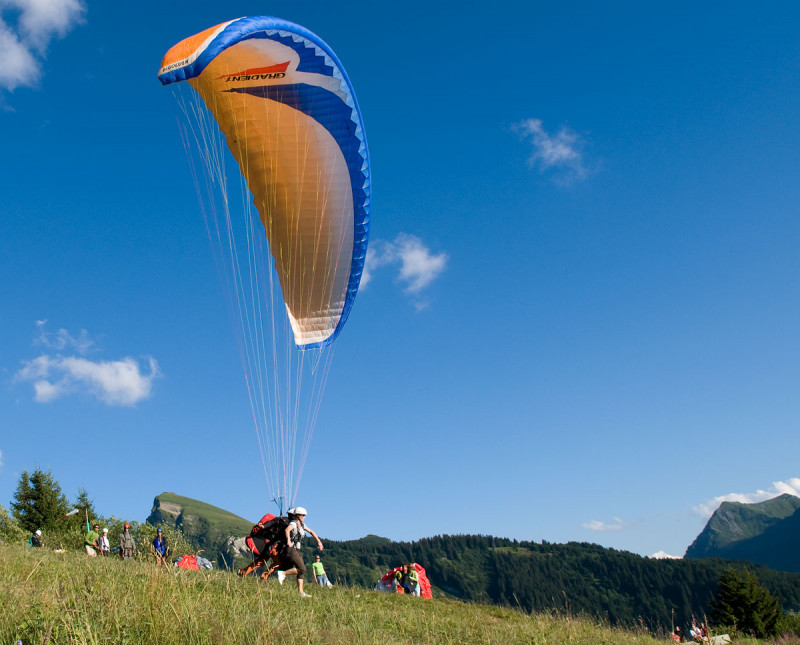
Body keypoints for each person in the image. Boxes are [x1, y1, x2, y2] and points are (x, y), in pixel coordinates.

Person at [276, 507, 323, 598]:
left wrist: (319, 541)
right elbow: (287, 530)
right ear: (297, 516)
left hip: (297, 549)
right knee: (302, 569)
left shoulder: (302, 525)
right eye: (303, 515)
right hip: (291, 548)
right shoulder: (293, 523)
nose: (304, 517)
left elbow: (311, 531)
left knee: (300, 571)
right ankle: (283, 573)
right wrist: (289, 540)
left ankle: (301, 593)